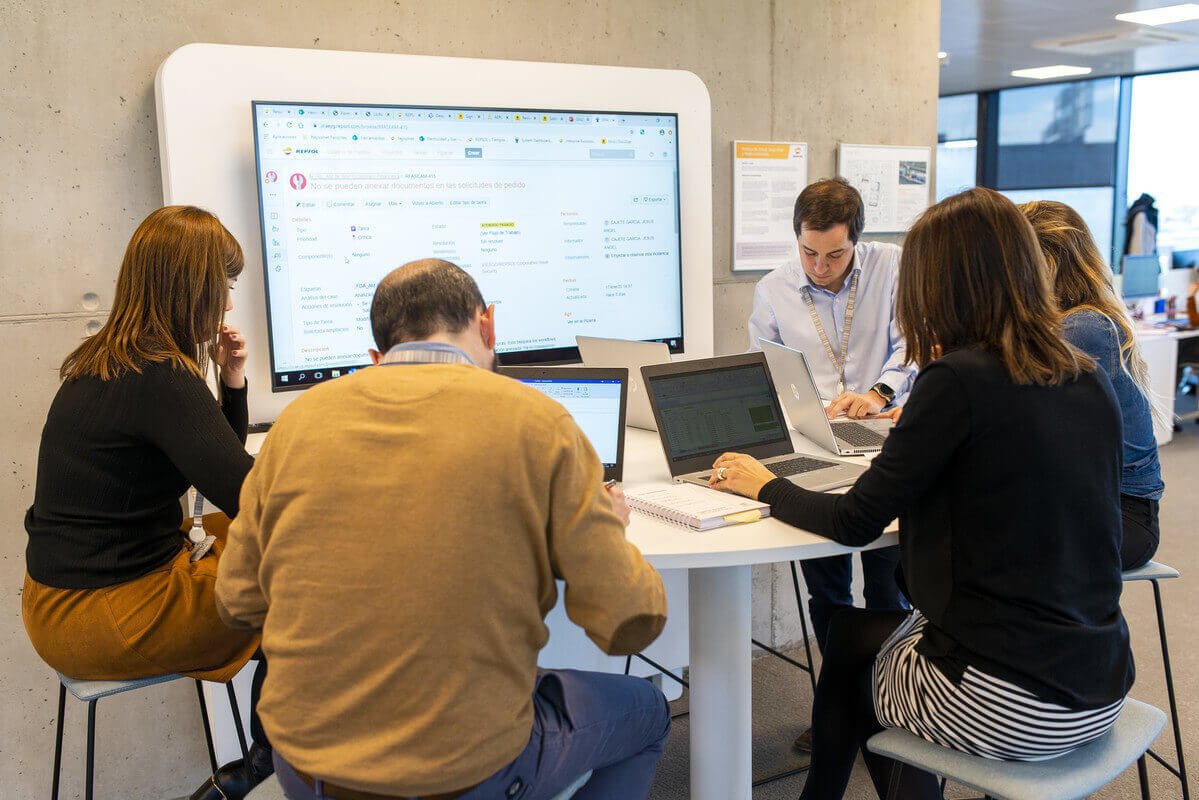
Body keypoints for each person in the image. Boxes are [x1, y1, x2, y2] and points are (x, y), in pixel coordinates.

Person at [712, 188, 1134, 799]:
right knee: (862, 632)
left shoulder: (957, 382)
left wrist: (766, 484)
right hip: (1101, 679)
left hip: (1021, 702)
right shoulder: (1084, 373)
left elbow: (856, 520)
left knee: (852, 658)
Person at [215, 258, 671, 800]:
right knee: (648, 712)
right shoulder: (539, 423)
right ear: (489, 326)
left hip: (308, 768)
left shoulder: (297, 424)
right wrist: (604, 531)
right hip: (461, 772)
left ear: (376, 358)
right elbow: (628, 624)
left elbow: (236, 602)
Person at [21, 206, 273, 800]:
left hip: (65, 600)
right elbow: (247, 494)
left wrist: (231, 381)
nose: (229, 304)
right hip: (102, 613)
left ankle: (264, 758)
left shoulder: (112, 359)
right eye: (225, 286)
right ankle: (269, 765)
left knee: (274, 550)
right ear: (194, 286)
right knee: (301, 585)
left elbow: (214, 466)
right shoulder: (161, 377)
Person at [746, 178, 914, 749]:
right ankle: (839, 704)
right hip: (814, 443)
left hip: (887, 438)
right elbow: (766, 369)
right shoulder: (773, 290)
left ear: (857, 242)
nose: (820, 266)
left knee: (888, 586)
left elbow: (911, 342)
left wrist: (879, 394)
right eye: (809, 251)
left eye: (835, 253)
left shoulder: (892, 266)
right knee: (827, 587)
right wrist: (811, 410)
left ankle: (893, 708)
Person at [1021, 200, 1166, 570]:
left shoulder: (1084, 327)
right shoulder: (1071, 323)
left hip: (1122, 517)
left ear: (1046, 263)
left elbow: (1016, 410)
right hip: (1086, 502)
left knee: (974, 552)